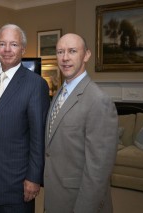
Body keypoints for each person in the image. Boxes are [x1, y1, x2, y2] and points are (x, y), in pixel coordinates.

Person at [0, 24, 50, 213]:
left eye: (13, 44)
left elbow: (38, 138)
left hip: (17, 184)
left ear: (23, 49)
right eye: (2, 44)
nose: (6, 49)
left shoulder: (35, 84)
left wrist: (34, 178)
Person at [44, 33, 118, 213]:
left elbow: (98, 171)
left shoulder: (99, 100)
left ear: (86, 55)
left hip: (79, 201)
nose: (65, 58)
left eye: (72, 51)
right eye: (60, 52)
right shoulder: (61, 93)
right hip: (56, 195)